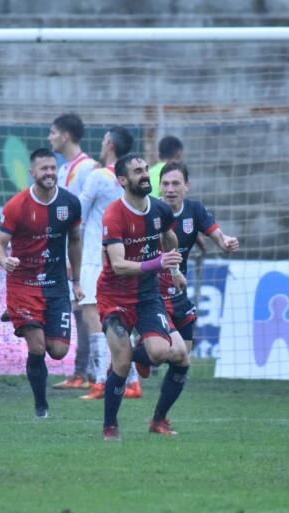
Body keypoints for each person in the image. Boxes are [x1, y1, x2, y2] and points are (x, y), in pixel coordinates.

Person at [97, 153, 190, 441]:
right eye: (137, 171)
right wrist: (158, 263)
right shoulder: (114, 215)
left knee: (175, 355)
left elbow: (169, 238)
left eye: (146, 169)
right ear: (123, 180)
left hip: (148, 295)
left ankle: (158, 420)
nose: (145, 174)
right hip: (115, 297)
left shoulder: (160, 209)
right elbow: (118, 265)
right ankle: (110, 426)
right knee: (122, 362)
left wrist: (174, 270)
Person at [0, 148, 84, 418]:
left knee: (58, 351)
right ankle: (41, 407)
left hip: (56, 285)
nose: (50, 173)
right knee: (38, 347)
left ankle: (18, 315)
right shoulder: (16, 206)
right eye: (44, 169)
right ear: (32, 172)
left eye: (53, 168)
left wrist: (77, 281)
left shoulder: (70, 203)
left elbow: (75, 240)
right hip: (23, 285)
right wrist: (4, 261)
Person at [78, 126, 143, 401]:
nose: (102, 144)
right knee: (119, 318)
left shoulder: (98, 177)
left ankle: (100, 381)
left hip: (95, 257)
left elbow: (78, 214)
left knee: (91, 314)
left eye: (105, 140)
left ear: (110, 146)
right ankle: (133, 382)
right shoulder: (130, 181)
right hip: (123, 258)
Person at [157, 161, 240, 352]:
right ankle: (138, 354)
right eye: (165, 184)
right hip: (152, 292)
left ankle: (139, 352)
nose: (170, 189)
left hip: (178, 289)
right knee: (162, 351)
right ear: (159, 186)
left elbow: (218, 236)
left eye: (176, 183)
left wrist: (226, 241)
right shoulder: (151, 211)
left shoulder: (195, 210)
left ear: (187, 185)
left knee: (183, 357)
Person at [47, 113, 98, 390]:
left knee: (86, 309)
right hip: (70, 251)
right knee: (79, 309)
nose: (50, 137)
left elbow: (88, 217)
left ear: (65, 136)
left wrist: (76, 257)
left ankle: (88, 373)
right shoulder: (64, 168)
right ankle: (84, 372)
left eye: (53, 132)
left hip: (87, 253)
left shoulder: (88, 168)